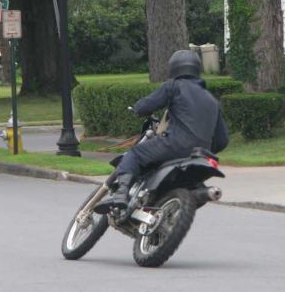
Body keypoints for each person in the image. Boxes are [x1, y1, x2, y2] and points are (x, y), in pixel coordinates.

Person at [94, 49, 229, 214]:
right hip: (202, 155)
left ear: (173, 68)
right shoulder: (212, 100)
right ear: (197, 69)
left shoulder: (174, 86)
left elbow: (146, 106)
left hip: (175, 144)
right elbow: (222, 140)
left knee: (135, 153)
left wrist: (137, 109)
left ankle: (120, 195)